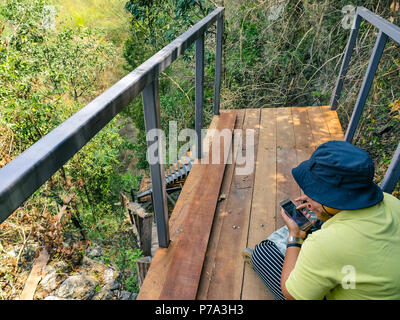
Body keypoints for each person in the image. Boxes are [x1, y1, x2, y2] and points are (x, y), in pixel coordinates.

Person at [243, 140, 400, 300]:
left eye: (314, 191)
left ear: (331, 199)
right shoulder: (391, 202)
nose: (309, 196)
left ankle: (286, 247)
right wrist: (319, 203)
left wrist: (295, 237)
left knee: (262, 254)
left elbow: (292, 296)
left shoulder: (325, 244)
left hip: (327, 262)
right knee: (314, 220)